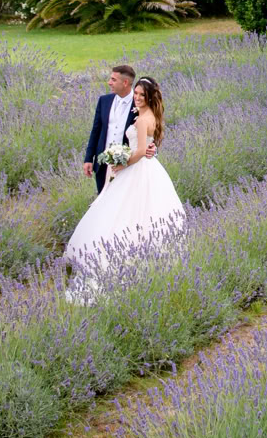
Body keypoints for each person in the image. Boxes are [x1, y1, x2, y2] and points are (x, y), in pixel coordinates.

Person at [64, 76, 185, 293]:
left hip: (137, 168)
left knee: (122, 211)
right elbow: (147, 144)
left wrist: (122, 164)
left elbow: (139, 151)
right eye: (136, 94)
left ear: (149, 97)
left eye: (141, 95)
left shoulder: (140, 120)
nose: (137, 98)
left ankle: (119, 258)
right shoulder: (152, 116)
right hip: (150, 168)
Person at [83, 63, 153, 193]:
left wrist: (153, 147)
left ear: (125, 82)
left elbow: (152, 129)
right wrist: (88, 158)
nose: (109, 82)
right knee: (102, 201)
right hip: (103, 164)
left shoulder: (140, 102)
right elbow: (96, 131)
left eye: (113, 80)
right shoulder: (104, 101)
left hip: (128, 165)